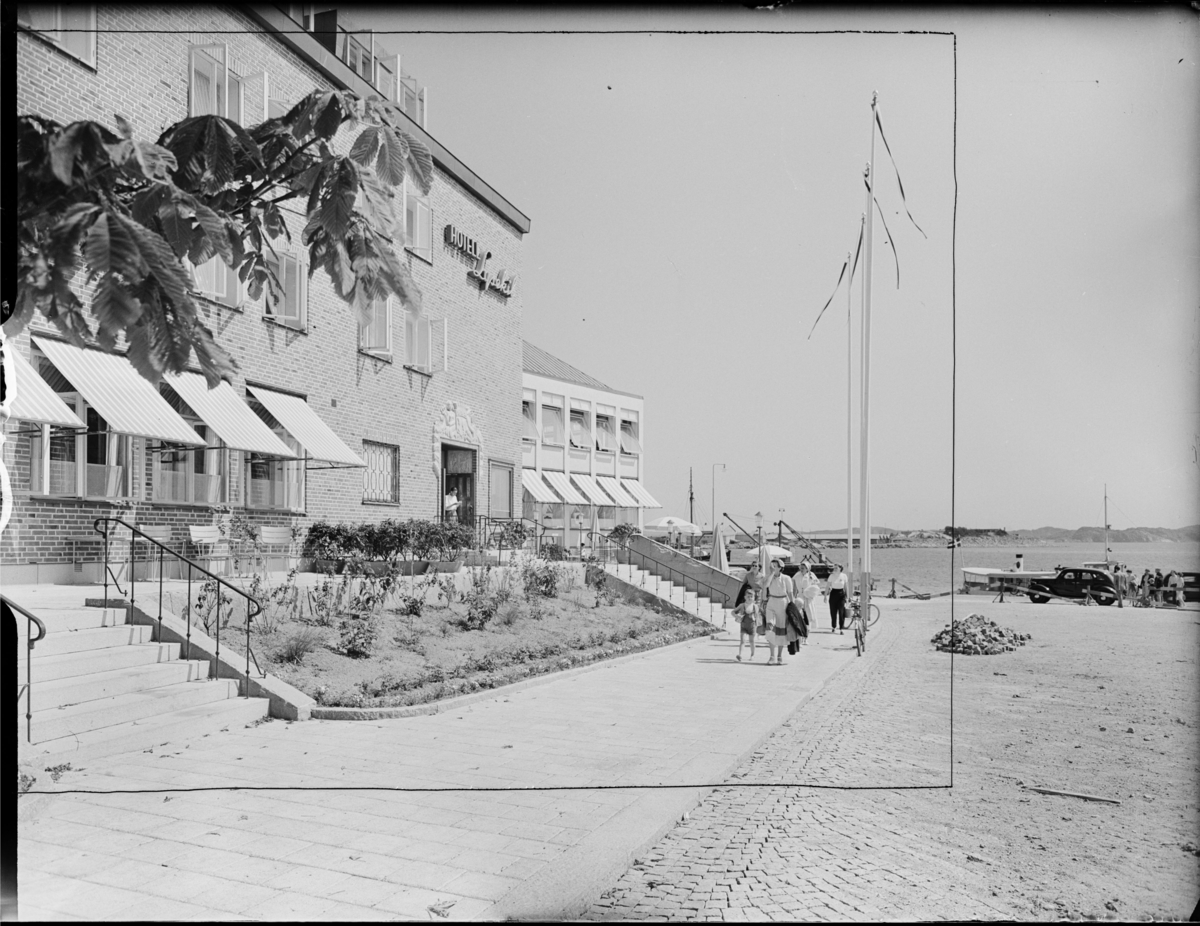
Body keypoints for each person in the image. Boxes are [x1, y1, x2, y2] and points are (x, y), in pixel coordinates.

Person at [762, 559, 798, 666]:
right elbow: (765, 586)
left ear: (780, 567)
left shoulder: (787, 578)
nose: (772, 566)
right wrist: (772, 573)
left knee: (781, 630)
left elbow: (790, 593)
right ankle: (772, 656)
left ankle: (779, 656)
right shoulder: (769, 577)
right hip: (771, 602)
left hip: (783, 603)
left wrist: (793, 607)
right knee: (770, 629)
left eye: (775, 565)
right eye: (771, 565)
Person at [733, 588, 760, 662]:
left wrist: (757, 628)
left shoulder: (755, 606)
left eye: (751, 597)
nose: (750, 598)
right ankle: (740, 655)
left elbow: (757, 617)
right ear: (745, 597)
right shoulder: (742, 605)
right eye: (748, 597)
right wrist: (737, 616)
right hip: (743, 626)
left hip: (752, 626)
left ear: (754, 597)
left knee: (752, 641)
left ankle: (752, 655)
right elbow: (733, 612)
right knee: (742, 641)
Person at [828, 563, 849, 634]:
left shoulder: (844, 576)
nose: (835, 568)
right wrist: (825, 596)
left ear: (840, 568)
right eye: (834, 567)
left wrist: (848, 597)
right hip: (833, 593)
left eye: (837, 567)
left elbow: (846, 587)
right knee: (833, 611)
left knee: (841, 612)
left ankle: (841, 628)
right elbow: (827, 586)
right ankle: (834, 626)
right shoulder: (831, 576)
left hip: (841, 594)